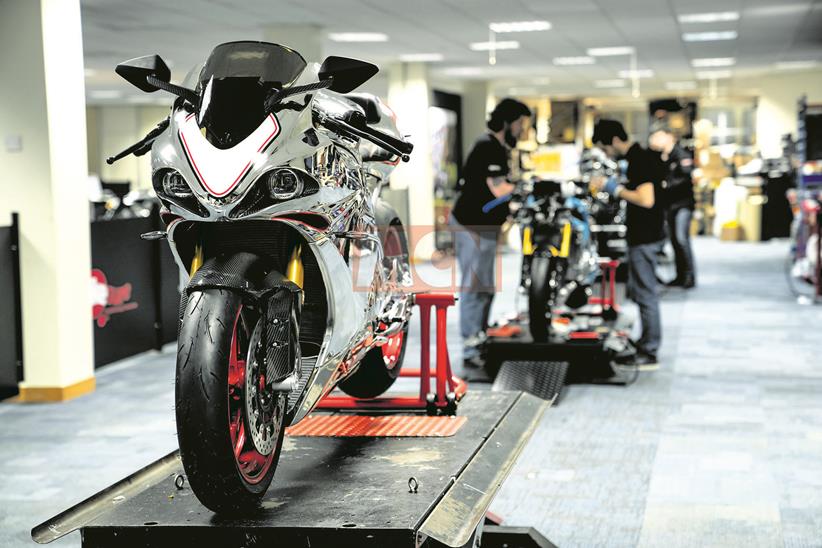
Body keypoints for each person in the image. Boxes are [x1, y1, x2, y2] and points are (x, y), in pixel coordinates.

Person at [450, 98, 531, 367]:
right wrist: (525, 189)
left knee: (485, 286)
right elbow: (498, 188)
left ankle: (480, 336)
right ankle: (471, 345)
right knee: (475, 286)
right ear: (508, 122)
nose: (522, 130)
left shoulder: (497, 147)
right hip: (471, 225)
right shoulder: (488, 146)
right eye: (520, 124)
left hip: (485, 226)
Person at [591, 119, 665, 369]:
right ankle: (646, 342)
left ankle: (650, 350)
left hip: (645, 236)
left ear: (613, 141)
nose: (607, 154)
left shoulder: (639, 160)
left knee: (646, 293)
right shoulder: (638, 157)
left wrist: (615, 189)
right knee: (642, 291)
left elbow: (646, 199)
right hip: (645, 234)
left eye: (605, 148)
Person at [649, 124, 697, 288]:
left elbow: (685, 176)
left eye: (660, 136)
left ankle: (690, 276)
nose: (657, 140)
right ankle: (679, 275)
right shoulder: (663, 157)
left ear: (670, 137)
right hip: (670, 206)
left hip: (683, 205)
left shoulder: (681, 154)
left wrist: (665, 185)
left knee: (682, 239)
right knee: (675, 241)